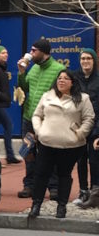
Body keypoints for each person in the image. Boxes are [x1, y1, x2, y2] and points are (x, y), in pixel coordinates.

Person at [28, 68, 95, 220]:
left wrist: (80, 134)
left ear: (72, 83)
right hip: (46, 143)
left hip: (70, 145)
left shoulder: (82, 98)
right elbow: (37, 115)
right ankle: (36, 205)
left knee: (64, 175)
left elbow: (89, 119)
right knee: (41, 174)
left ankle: (62, 206)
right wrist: (39, 130)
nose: (61, 81)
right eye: (59, 78)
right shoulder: (47, 96)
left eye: (65, 78)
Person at [16, 38, 63, 199]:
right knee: (28, 152)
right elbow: (24, 88)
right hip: (29, 117)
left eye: (34, 50)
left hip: (48, 120)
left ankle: (54, 187)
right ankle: (29, 185)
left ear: (43, 52)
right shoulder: (34, 68)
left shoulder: (58, 69)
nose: (31, 53)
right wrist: (21, 73)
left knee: (49, 153)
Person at [73, 48, 99, 204]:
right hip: (78, 126)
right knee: (80, 159)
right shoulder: (75, 78)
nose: (85, 61)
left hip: (95, 126)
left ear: (94, 60)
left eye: (88, 58)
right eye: (83, 58)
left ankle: (95, 191)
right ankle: (83, 190)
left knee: (95, 159)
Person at [0, 45, 19, 164]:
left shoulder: (2, 69)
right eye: (2, 53)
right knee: (8, 125)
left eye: (6, 52)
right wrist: (4, 96)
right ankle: (9, 155)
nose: (6, 55)